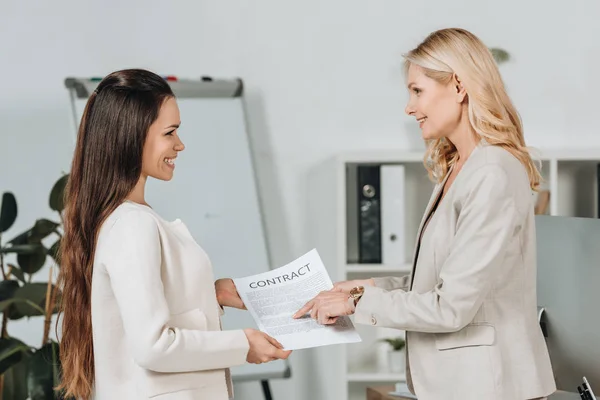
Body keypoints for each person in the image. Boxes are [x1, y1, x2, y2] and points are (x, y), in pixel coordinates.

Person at [294, 28, 556, 400]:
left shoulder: (492, 172)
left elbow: (450, 307)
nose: (409, 107)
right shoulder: (460, 167)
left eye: (417, 91)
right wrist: (359, 287)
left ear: (459, 86)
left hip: (492, 387)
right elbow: (443, 281)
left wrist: (356, 301)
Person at [57, 69, 291, 400]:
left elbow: (145, 316)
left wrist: (212, 296)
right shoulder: (132, 225)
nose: (180, 145)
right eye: (170, 132)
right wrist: (243, 344)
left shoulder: (127, 220)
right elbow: (153, 346)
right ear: (132, 136)